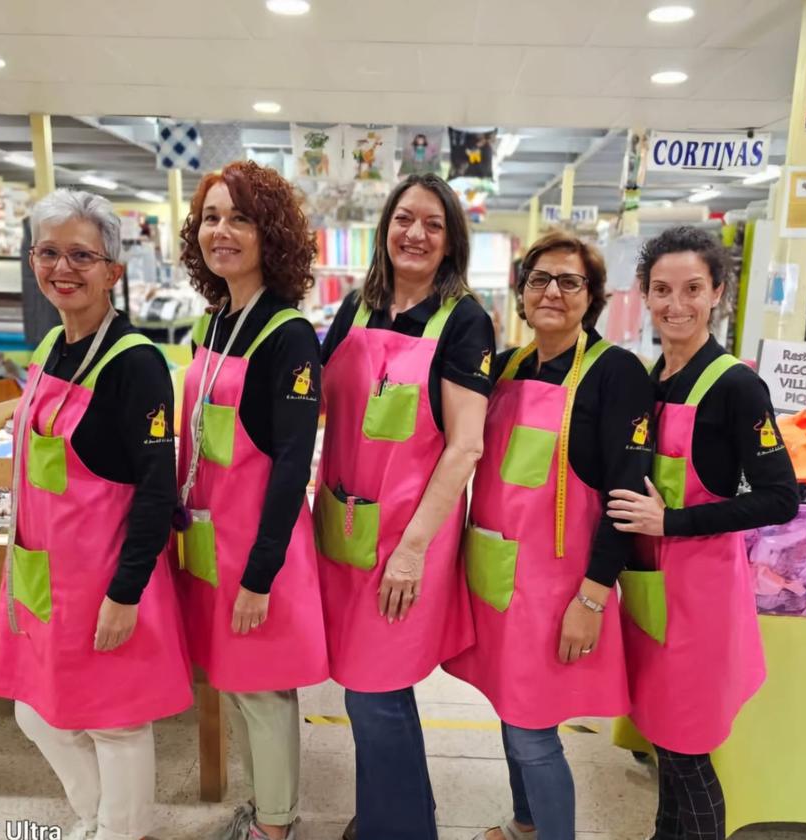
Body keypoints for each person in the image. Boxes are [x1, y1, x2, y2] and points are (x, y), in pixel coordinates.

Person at [0, 189, 191, 840]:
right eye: (48, 253)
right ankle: (97, 817)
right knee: (35, 711)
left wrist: (125, 593)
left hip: (106, 577)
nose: (62, 269)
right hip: (44, 574)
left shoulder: (136, 364)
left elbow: (158, 487)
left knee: (117, 723)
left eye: (81, 254)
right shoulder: (51, 346)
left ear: (113, 271)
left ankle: (118, 830)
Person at [445, 232, 653, 840]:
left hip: (557, 587)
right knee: (511, 712)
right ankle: (524, 825)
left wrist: (592, 598)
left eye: (570, 281)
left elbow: (626, 497)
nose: (552, 293)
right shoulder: (508, 365)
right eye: (539, 280)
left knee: (534, 732)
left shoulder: (616, 373)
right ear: (521, 292)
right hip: (495, 574)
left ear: (592, 297)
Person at [316, 173, 494, 840]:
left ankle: (402, 829)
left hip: (406, 537)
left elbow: (464, 447)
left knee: (375, 690)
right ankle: (394, 818)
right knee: (368, 694)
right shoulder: (357, 306)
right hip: (346, 524)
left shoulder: (465, 319)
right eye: (403, 219)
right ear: (384, 227)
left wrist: (413, 550)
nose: (414, 234)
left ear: (452, 240)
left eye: (432, 223)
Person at [606, 226, 798, 840]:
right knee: (665, 741)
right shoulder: (650, 380)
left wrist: (673, 521)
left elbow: (780, 497)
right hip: (650, 592)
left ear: (717, 292)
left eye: (692, 289)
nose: (676, 304)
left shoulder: (737, 386)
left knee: (688, 753)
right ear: (644, 294)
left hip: (700, 601)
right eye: (661, 290)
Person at [176, 161, 329, 840]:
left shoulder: (287, 335)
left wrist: (260, 575)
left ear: (270, 233)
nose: (222, 231)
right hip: (214, 540)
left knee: (263, 690)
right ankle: (263, 804)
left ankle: (276, 825)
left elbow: (292, 464)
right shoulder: (214, 324)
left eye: (239, 217)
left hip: (260, 547)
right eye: (211, 217)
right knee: (232, 683)